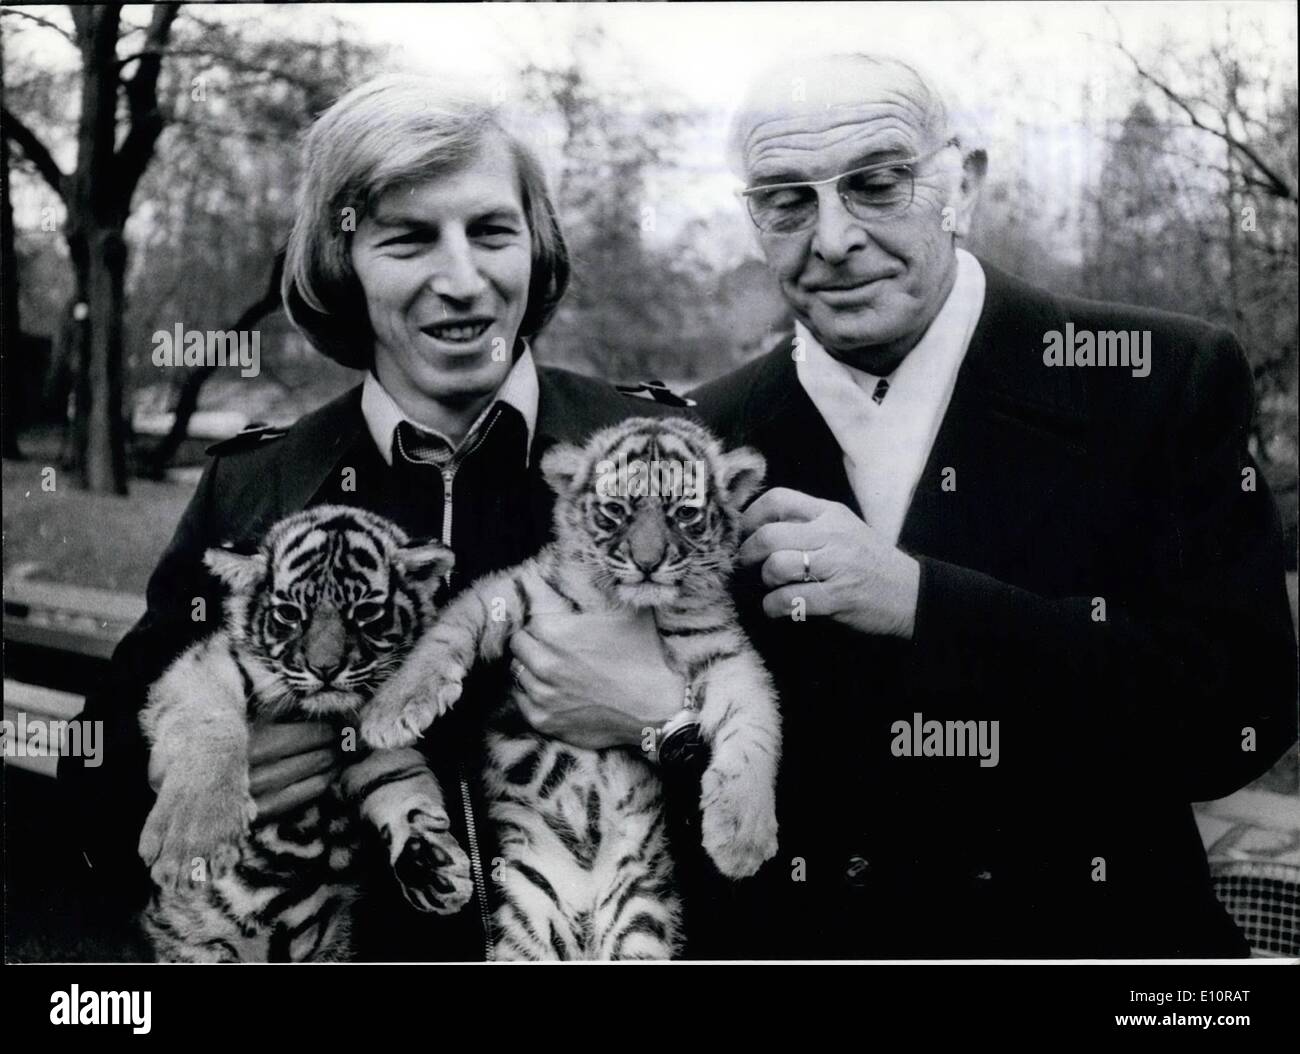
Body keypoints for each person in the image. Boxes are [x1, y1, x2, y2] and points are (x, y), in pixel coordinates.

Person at [59, 74, 695, 961]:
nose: (464, 281)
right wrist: (199, 764)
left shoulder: (662, 458)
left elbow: (812, 789)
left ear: (535, 247)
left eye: (491, 232)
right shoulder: (259, 485)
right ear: (342, 265)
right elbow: (92, 764)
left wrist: (665, 724)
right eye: (407, 240)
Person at [680, 52, 1298, 958]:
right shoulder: (704, 436)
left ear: (961, 184)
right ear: (753, 219)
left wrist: (923, 603)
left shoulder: (1154, 378)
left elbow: (1232, 726)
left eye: (878, 184)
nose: (835, 237)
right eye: (787, 200)